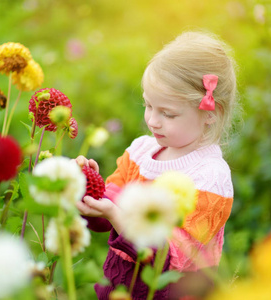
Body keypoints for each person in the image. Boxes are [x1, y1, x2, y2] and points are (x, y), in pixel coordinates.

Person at [75, 31, 237, 300]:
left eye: (167, 113)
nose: (152, 120)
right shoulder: (141, 151)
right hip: (120, 288)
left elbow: (174, 256)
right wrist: (88, 186)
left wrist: (118, 217)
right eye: (148, 105)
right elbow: (109, 207)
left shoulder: (210, 177)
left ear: (211, 113)